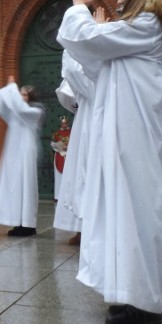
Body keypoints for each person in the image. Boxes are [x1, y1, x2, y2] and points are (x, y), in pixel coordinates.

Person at [58, 0, 162, 324]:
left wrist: (78, 7)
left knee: (139, 213)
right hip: (128, 141)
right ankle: (129, 294)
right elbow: (91, 63)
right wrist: (96, 25)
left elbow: (88, 40)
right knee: (123, 214)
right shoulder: (139, 32)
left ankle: (146, 305)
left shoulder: (148, 25)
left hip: (137, 143)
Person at [0, 76, 46, 236]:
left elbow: (21, 109)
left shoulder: (35, 111)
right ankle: (17, 221)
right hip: (13, 152)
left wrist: (11, 88)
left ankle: (28, 225)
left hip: (25, 152)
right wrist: (8, 94)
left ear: (31, 98)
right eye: (19, 94)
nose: (20, 97)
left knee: (25, 186)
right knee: (14, 186)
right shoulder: (17, 112)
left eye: (24, 94)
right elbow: (1, 110)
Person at [53, 48, 98, 247]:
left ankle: (88, 229)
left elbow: (71, 79)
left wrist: (79, 44)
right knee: (84, 173)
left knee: (86, 172)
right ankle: (82, 228)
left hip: (91, 120)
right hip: (90, 118)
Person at [50, 116, 70, 201]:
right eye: (62, 123)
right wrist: (59, 147)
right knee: (59, 177)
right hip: (59, 156)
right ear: (60, 124)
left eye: (65, 123)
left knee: (69, 177)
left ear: (67, 123)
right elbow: (52, 144)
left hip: (70, 157)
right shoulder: (56, 134)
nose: (64, 125)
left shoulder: (73, 132)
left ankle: (68, 196)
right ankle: (58, 196)